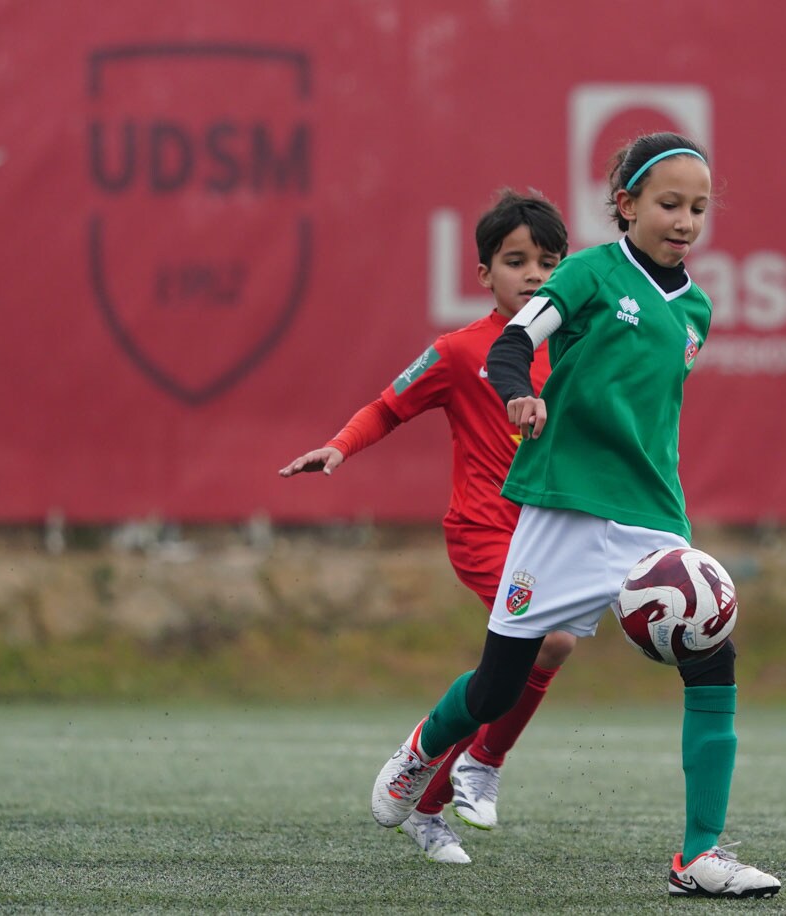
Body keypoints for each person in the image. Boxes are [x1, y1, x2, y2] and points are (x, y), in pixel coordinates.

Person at [369, 133, 781, 899]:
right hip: (562, 509)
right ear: (625, 205)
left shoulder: (696, 307)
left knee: (714, 659)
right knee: (496, 688)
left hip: (653, 516)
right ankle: (426, 748)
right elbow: (515, 342)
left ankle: (699, 856)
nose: (685, 220)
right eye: (668, 204)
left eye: (698, 207)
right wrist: (519, 389)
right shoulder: (591, 271)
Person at [280, 189, 575, 865]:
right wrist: (339, 447)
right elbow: (387, 406)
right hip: (484, 532)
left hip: (552, 536)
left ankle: (433, 800)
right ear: (483, 274)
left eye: (548, 261)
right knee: (551, 641)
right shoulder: (459, 351)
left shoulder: (575, 348)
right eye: (515, 260)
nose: (533, 274)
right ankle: (480, 765)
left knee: (541, 656)